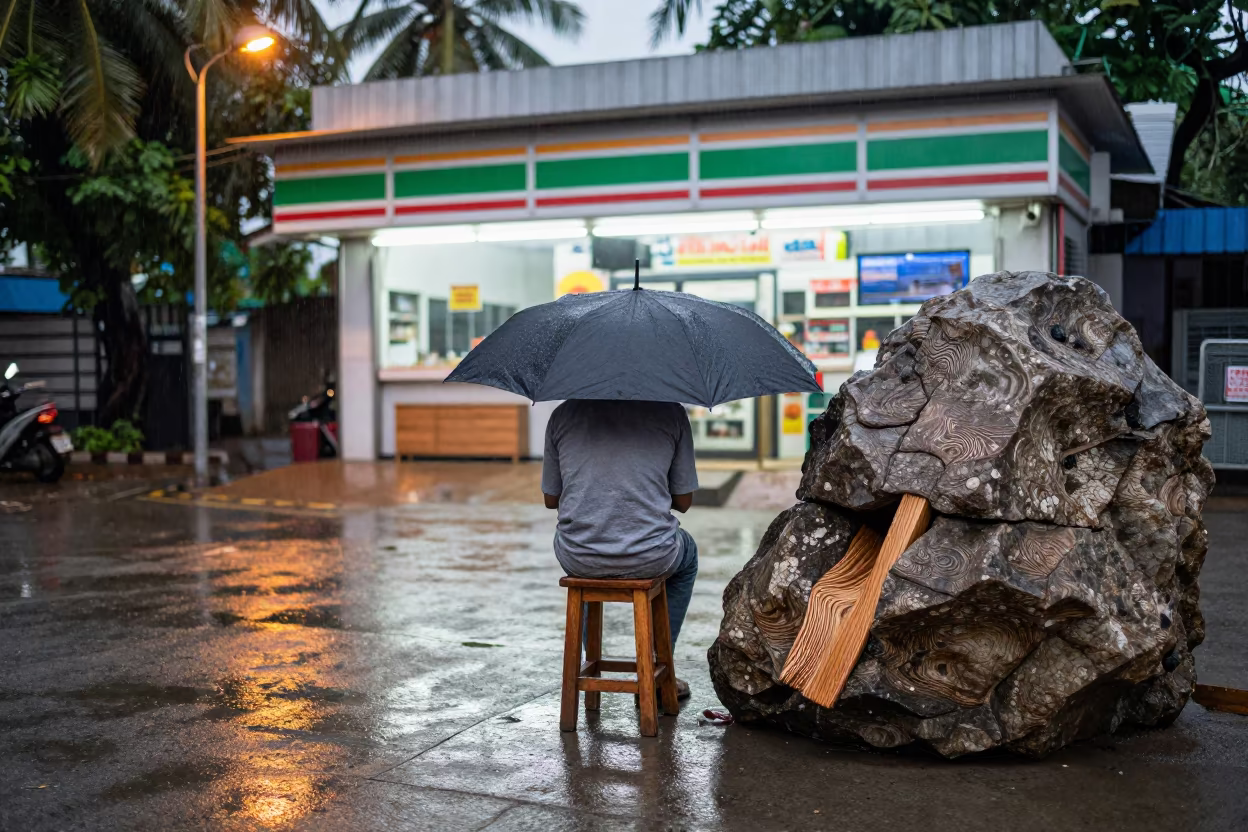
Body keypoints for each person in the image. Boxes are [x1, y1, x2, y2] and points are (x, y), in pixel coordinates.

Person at [541, 399, 699, 699]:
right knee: (687, 557)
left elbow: (551, 499)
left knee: (586, 557)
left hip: (579, 555)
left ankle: (592, 667)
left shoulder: (563, 414)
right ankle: (656, 669)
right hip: (652, 555)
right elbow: (684, 502)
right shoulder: (671, 412)